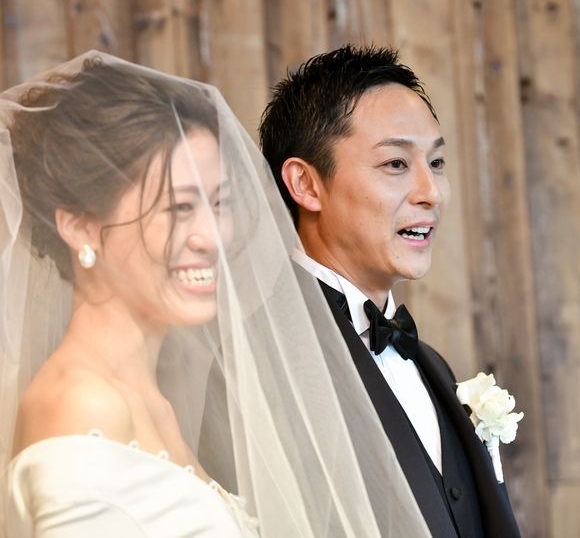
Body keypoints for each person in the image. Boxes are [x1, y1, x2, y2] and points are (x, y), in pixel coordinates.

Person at [0, 52, 432, 537]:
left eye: (219, 202)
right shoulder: (81, 404)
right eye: (179, 207)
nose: (211, 236)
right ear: (80, 227)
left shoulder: (153, 403)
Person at [259, 44, 522, 538]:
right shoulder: (262, 358)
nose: (432, 192)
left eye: (436, 162)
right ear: (306, 185)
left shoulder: (431, 365)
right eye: (396, 164)